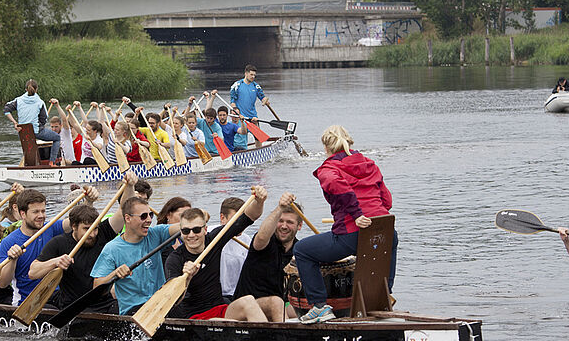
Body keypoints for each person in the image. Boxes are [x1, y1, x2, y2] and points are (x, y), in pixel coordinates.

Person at [293, 125, 398, 324]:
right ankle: (385, 295)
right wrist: (368, 211)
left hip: (353, 234)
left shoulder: (329, 168)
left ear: (326, 148)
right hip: (385, 231)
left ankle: (319, 307)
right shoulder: (370, 164)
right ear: (349, 143)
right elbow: (387, 202)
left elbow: (335, 184)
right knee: (390, 243)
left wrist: (356, 213)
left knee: (302, 250)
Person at [163, 189, 268, 322]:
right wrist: (187, 278)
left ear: (205, 229)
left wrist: (259, 200)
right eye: (185, 231)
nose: (191, 235)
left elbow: (249, 217)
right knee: (235, 319)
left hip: (219, 308)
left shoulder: (214, 240)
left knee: (249, 301)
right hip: (195, 318)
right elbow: (173, 300)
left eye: (196, 230)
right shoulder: (175, 259)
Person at [0, 185, 100, 302]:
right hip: (26, 302)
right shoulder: (8, 242)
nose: (41, 216)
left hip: (56, 299)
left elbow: (78, 222)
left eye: (43, 211)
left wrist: (89, 202)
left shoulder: (50, 227)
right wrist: (12, 260)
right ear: (22, 214)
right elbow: (2, 283)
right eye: (35, 212)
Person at [90, 196, 182, 315]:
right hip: (134, 309)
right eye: (143, 216)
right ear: (127, 218)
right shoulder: (112, 248)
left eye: (150, 215)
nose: (149, 220)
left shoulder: (155, 234)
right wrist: (114, 274)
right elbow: (97, 287)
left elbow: (181, 227)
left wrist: (196, 218)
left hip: (161, 302)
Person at [29, 202, 125, 313]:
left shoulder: (102, 234)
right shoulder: (59, 243)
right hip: (74, 306)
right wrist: (55, 262)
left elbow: (123, 210)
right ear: (74, 226)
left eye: (95, 228)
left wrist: (129, 186)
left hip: (104, 303)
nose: (93, 234)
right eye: (86, 229)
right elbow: (33, 272)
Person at [236, 194, 301, 321]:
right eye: (280, 221)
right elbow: (261, 237)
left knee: (306, 305)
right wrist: (280, 208)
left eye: (289, 222)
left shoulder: (300, 251)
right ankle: (285, 340)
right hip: (244, 307)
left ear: (299, 226)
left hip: (278, 308)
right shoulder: (264, 242)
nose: (283, 226)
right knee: (276, 303)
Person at [6, 80, 60, 161]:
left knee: (28, 141)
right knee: (57, 138)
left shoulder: (18, 100)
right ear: (37, 89)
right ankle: (52, 162)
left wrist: (15, 123)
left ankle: (29, 162)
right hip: (37, 131)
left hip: (22, 132)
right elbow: (44, 119)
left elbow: (6, 110)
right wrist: (40, 126)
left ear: (26, 90)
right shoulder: (40, 102)